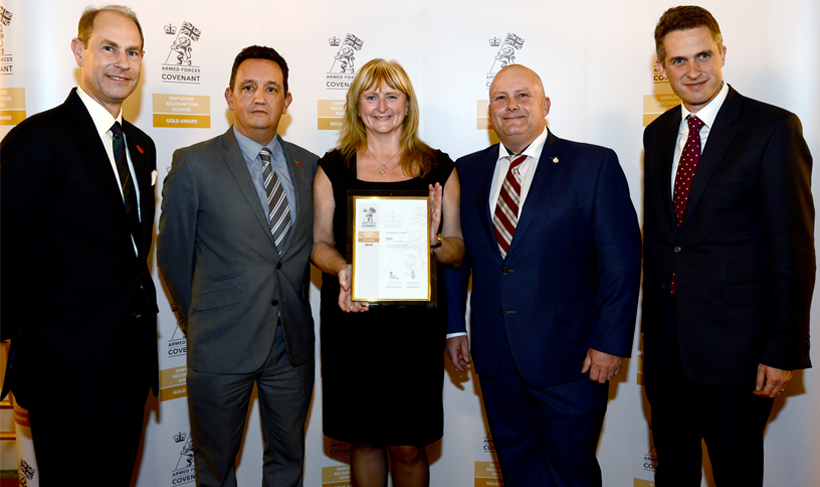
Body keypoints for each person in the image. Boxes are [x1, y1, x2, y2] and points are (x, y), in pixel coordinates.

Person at [445, 64, 641, 487]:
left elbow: (621, 263)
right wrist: (453, 329)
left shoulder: (593, 164)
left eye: (523, 96)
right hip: (496, 358)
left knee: (572, 473)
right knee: (517, 474)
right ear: (489, 112)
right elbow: (459, 257)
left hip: (573, 359)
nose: (511, 106)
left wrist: (610, 342)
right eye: (500, 98)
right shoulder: (467, 170)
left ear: (545, 105)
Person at [642, 6, 814, 486]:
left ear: (722, 53)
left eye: (703, 55)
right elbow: (663, 244)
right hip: (667, 351)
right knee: (672, 474)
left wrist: (783, 350)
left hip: (738, 353)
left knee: (736, 475)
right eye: (678, 61)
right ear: (661, 68)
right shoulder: (655, 136)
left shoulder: (772, 128)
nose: (693, 71)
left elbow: (794, 248)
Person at [0, 5, 157, 484]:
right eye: (108, 48)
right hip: (66, 377)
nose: (121, 63)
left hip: (128, 371)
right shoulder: (38, 140)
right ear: (79, 50)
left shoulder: (141, 145)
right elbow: (5, 253)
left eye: (132, 52)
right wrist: (28, 353)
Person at [157, 45, 318, 487]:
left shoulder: (311, 167)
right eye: (248, 87)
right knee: (214, 469)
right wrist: (199, 319)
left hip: (292, 348)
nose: (259, 98)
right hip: (220, 345)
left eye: (272, 89)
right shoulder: (194, 163)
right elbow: (172, 255)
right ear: (229, 96)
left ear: (287, 101)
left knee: (288, 464)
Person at [311, 58, 464, 487]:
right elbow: (317, 242)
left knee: (409, 445)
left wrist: (430, 239)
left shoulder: (439, 169)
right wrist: (342, 267)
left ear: (407, 105)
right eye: (371, 95)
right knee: (364, 441)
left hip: (414, 330)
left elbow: (457, 249)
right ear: (356, 106)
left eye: (392, 95)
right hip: (352, 322)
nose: (381, 106)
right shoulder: (333, 167)